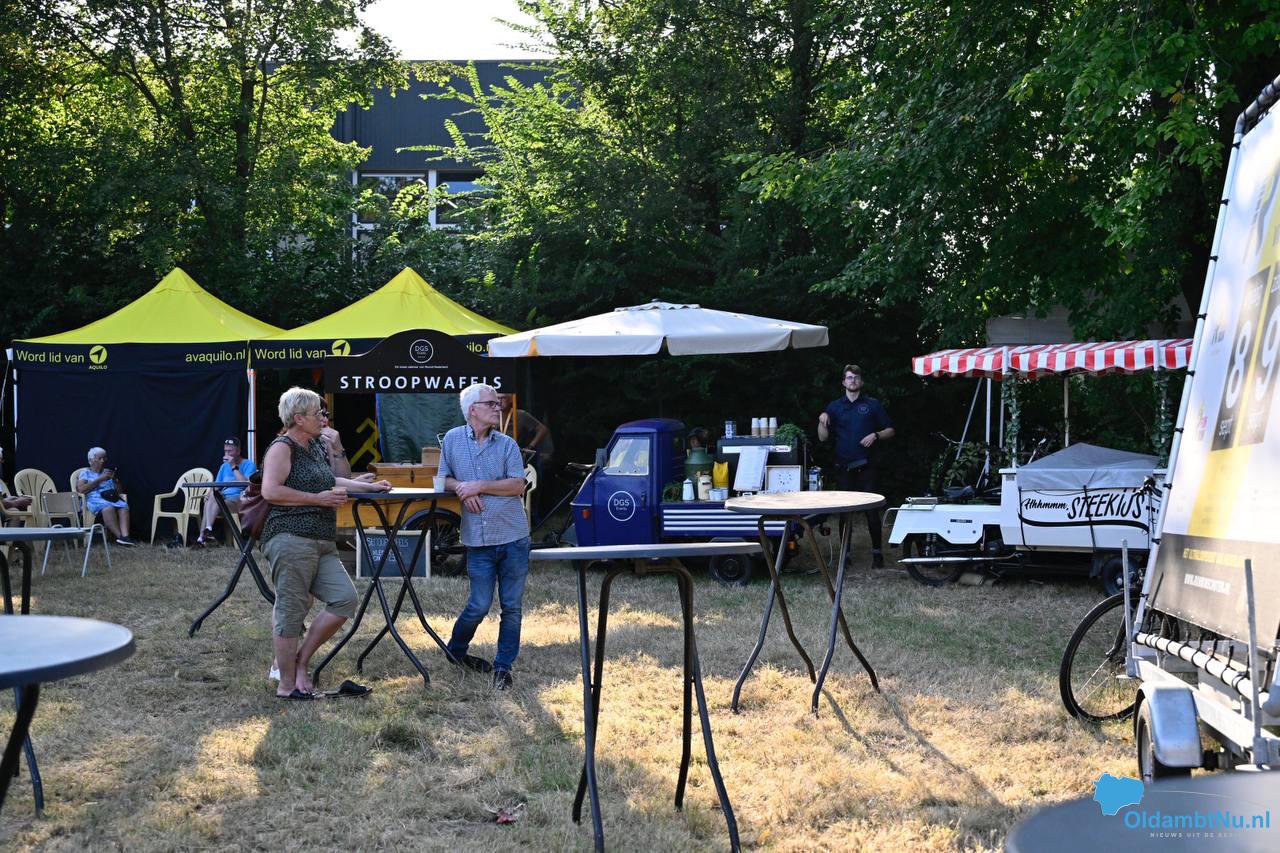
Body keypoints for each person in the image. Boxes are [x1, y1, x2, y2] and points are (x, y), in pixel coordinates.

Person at [260, 387, 391, 700]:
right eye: (318, 413)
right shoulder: (282, 447)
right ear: (298, 418)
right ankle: (287, 686)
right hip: (290, 536)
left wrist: (363, 486)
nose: (324, 418)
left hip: (322, 539)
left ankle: (300, 662)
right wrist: (316, 499)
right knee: (292, 610)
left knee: (344, 599)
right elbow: (271, 491)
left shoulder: (316, 445)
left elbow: (329, 480)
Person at [441, 383, 531, 691]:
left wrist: (477, 485)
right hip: (477, 539)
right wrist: (462, 490)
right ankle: (455, 651)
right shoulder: (452, 439)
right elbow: (443, 479)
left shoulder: (507, 444)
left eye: (497, 403)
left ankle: (503, 667)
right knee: (478, 605)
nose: (498, 407)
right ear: (473, 410)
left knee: (512, 607)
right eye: (491, 403)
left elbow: (517, 485)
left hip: (513, 536)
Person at [817, 364, 895, 568]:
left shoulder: (872, 405)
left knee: (872, 511)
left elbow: (890, 430)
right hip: (844, 467)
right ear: (843, 382)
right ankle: (846, 554)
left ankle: (877, 554)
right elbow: (822, 438)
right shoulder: (834, 406)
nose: (852, 381)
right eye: (849, 378)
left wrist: (875, 435)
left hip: (868, 466)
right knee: (845, 512)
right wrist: (822, 422)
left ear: (861, 382)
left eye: (856, 378)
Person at [196, 437, 256, 546]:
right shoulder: (224, 466)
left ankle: (202, 538)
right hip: (224, 499)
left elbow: (245, 484)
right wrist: (209, 494)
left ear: (238, 451)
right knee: (210, 499)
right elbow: (216, 486)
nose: (227, 454)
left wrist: (233, 466)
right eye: (225, 451)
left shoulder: (249, 465)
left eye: (230, 451)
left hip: (239, 500)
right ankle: (207, 532)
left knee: (212, 502)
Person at [78, 447, 135, 546]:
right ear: (91, 461)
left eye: (104, 458)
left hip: (110, 497)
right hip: (94, 499)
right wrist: (100, 479)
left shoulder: (107, 472)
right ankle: (120, 537)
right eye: (100, 458)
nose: (103, 461)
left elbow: (119, 492)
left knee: (123, 506)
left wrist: (115, 480)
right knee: (108, 508)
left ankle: (125, 536)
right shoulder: (85, 473)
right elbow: (81, 490)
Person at [318, 406, 374, 482]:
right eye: (320, 414)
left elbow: (344, 477)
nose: (325, 420)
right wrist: (355, 483)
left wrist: (337, 448)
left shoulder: (325, 441)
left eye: (326, 415)